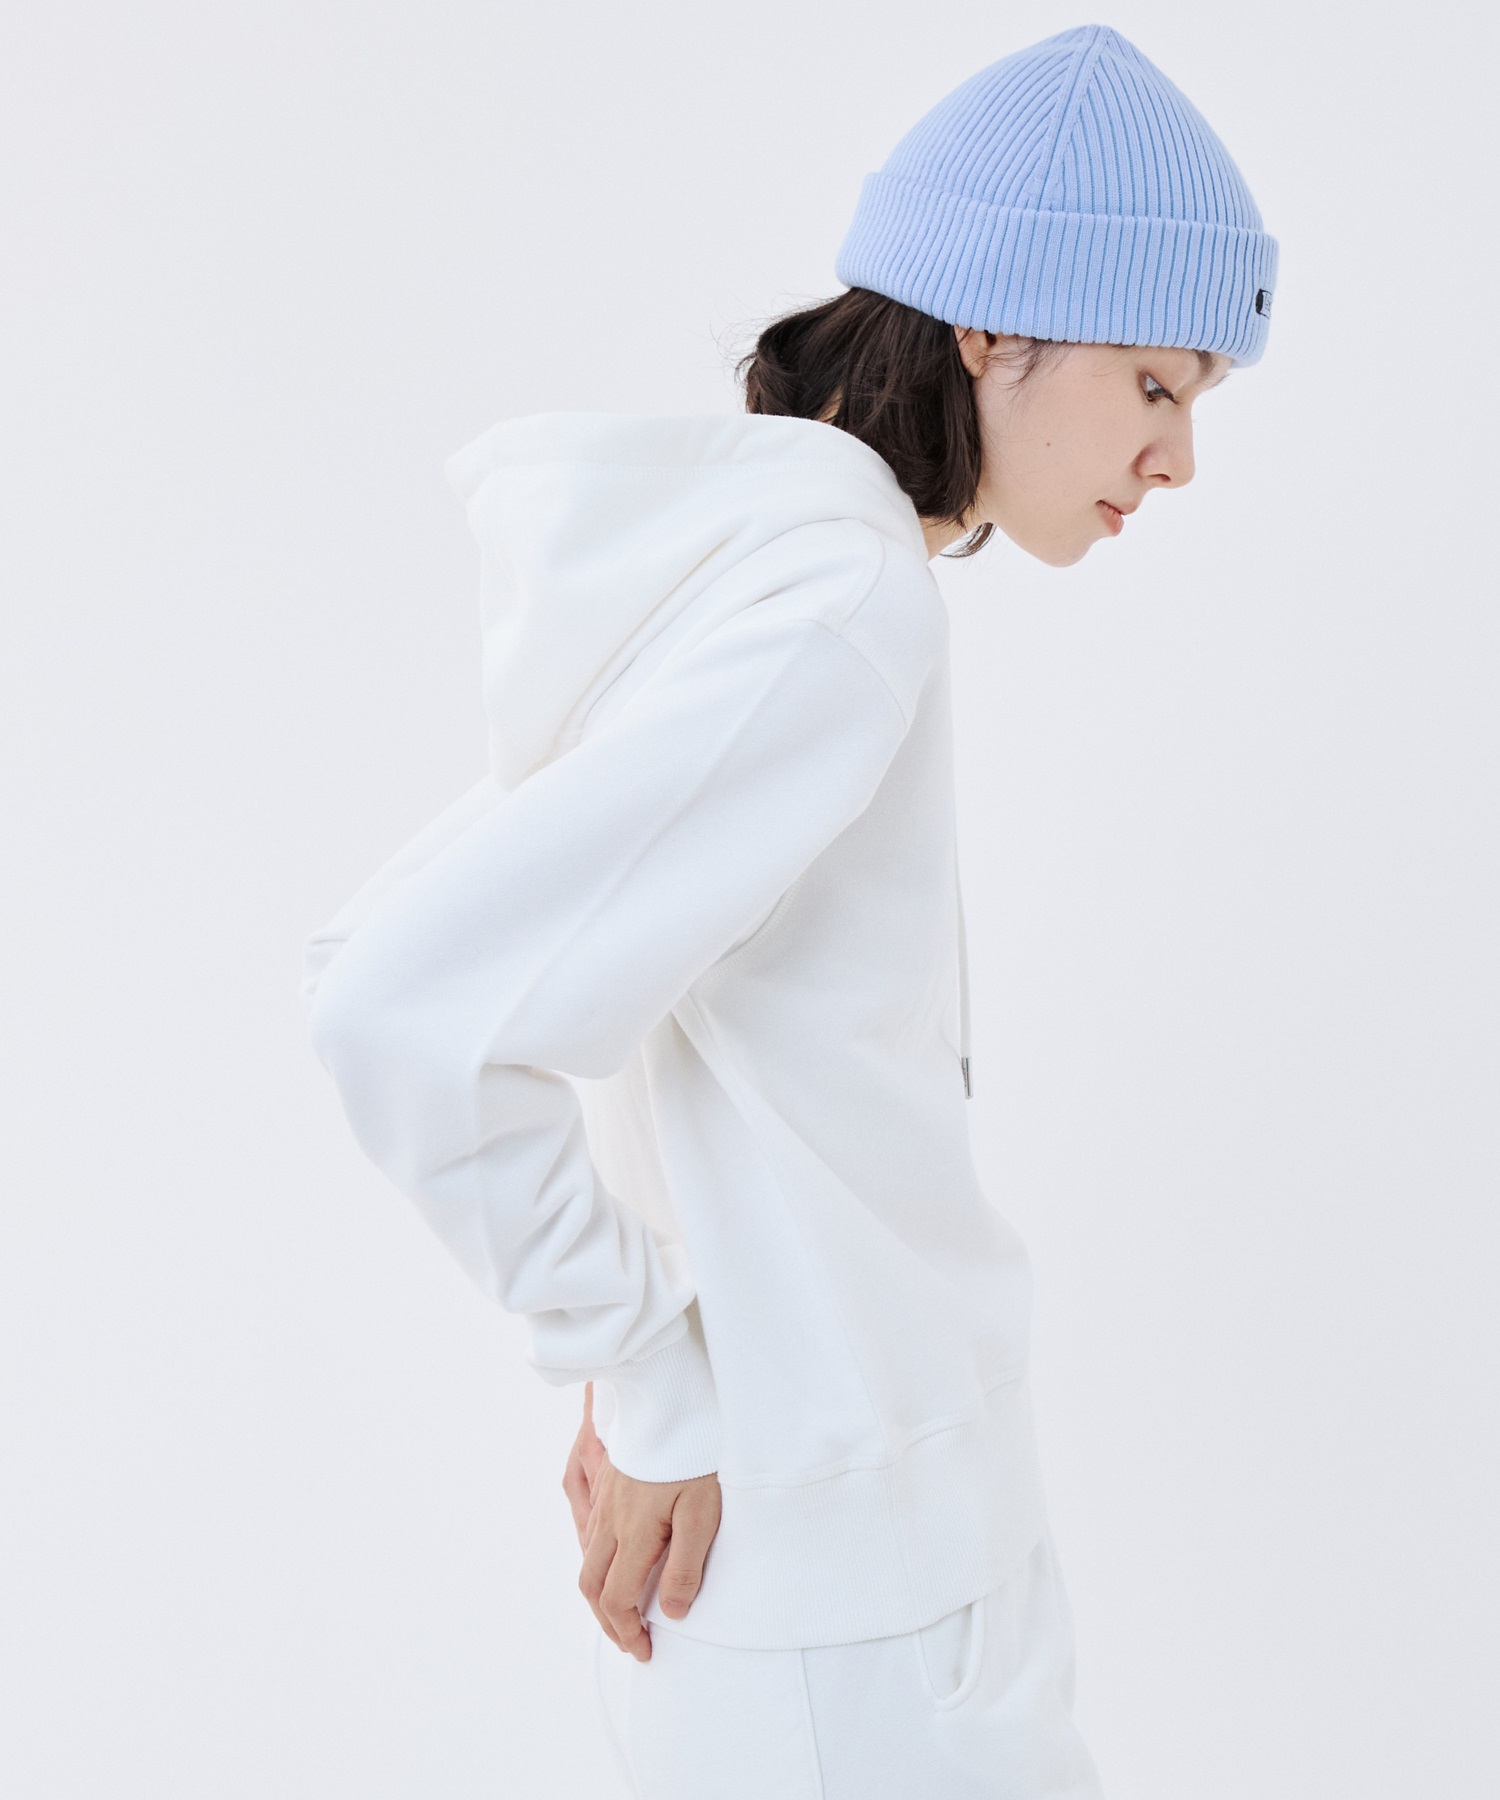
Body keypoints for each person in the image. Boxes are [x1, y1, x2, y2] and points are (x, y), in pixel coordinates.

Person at [302, 22, 1277, 1798]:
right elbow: (401, 1005)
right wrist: (638, 1370)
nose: (1178, 460)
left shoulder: (778, 567)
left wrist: (638, 1361)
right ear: (990, 329)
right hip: (863, 1622)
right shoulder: (836, 606)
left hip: (864, 1563)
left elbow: (456, 968)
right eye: (1157, 384)